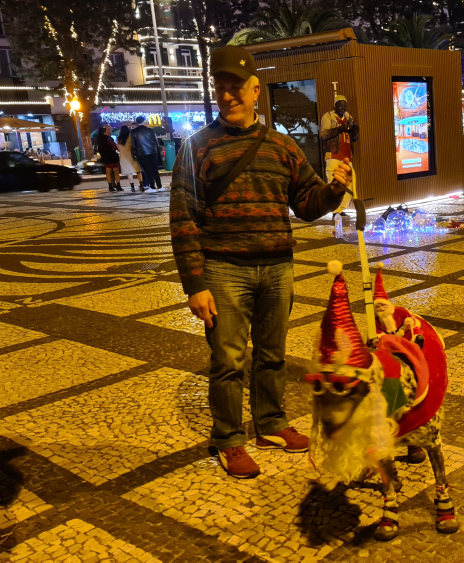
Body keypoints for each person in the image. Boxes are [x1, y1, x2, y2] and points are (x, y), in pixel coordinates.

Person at [170, 45, 353, 479]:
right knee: (229, 360)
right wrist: (195, 284)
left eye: (237, 87)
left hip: (276, 267)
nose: (228, 95)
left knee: (272, 354)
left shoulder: (281, 146)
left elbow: (306, 203)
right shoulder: (197, 147)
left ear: (256, 91)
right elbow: (183, 217)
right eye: (221, 87)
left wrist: (333, 191)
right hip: (224, 268)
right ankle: (229, 439)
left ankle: (270, 423)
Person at [320, 94, 359, 214]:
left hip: (347, 157)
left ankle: (341, 210)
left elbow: (355, 137)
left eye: (344, 106)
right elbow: (324, 134)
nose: (343, 108)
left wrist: (354, 127)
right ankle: (334, 210)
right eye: (340, 106)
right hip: (334, 156)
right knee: (335, 184)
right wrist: (341, 128)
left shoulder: (348, 117)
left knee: (348, 185)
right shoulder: (328, 117)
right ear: (335, 106)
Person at [131, 115, 162, 191]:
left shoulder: (134, 132)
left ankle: (152, 186)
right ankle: (160, 186)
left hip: (142, 153)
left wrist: (134, 154)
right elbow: (156, 141)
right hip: (153, 152)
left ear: (137, 122)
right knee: (155, 169)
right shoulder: (150, 130)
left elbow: (133, 144)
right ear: (144, 121)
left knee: (147, 170)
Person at [97, 124, 122, 192]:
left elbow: (99, 149)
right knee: (116, 171)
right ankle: (118, 185)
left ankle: (110, 186)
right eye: (108, 129)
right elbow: (114, 146)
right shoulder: (108, 139)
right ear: (105, 130)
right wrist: (117, 149)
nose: (109, 130)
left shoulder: (99, 139)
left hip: (105, 157)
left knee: (108, 172)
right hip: (112, 156)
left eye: (110, 129)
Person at [117, 125, 142, 192]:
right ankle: (141, 185)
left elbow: (118, 148)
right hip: (131, 156)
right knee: (138, 170)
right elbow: (133, 145)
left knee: (129, 173)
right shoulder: (130, 137)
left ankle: (132, 187)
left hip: (123, 157)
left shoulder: (119, 139)